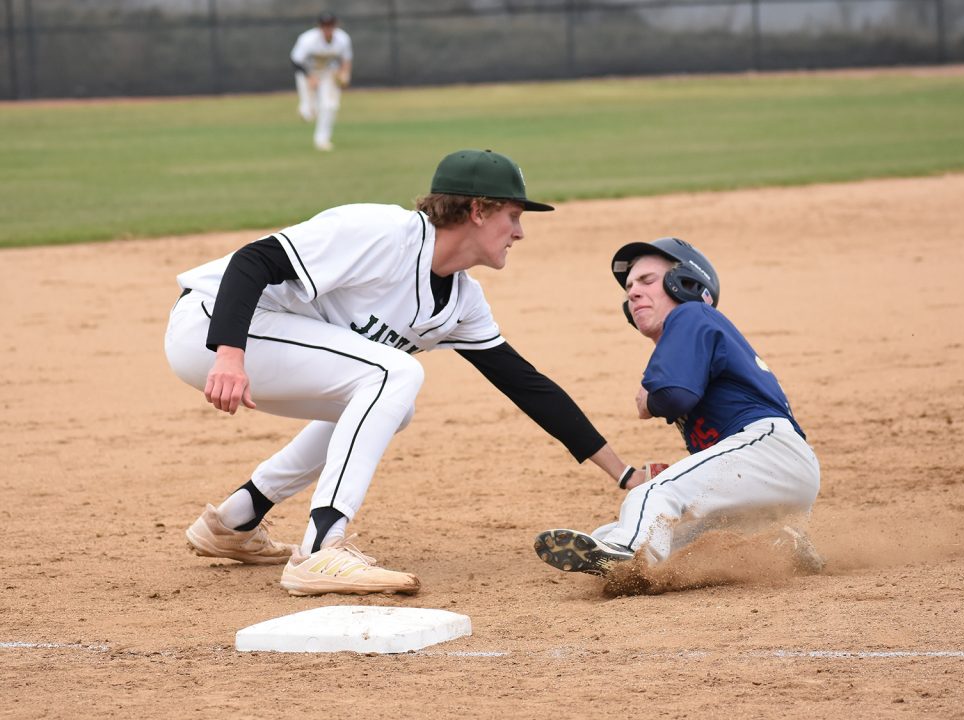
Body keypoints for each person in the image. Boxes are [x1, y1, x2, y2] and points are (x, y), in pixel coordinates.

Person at [164, 149, 647, 596]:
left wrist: (624, 473)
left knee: (389, 400)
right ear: (477, 210)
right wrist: (229, 352)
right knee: (391, 374)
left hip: (262, 344)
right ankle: (320, 547)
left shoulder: (462, 301)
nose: (519, 232)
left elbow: (526, 385)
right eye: (513, 216)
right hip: (216, 324)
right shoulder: (382, 232)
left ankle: (236, 519)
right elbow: (255, 259)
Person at [534, 237, 824, 577]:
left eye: (646, 280)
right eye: (629, 287)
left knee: (651, 495)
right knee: (613, 534)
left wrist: (649, 399)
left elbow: (675, 396)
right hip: (769, 475)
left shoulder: (691, 314)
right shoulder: (695, 330)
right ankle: (779, 543)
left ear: (684, 283)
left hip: (768, 449)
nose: (632, 292)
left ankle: (631, 559)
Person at [290, 11, 353, 151]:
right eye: (325, 25)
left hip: (328, 74)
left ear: (336, 25)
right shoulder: (307, 39)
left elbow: (346, 59)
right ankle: (306, 108)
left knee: (330, 106)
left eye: (330, 25)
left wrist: (345, 75)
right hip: (306, 72)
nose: (327, 28)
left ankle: (322, 140)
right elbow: (295, 61)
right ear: (319, 26)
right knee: (308, 114)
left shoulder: (343, 39)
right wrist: (309, 77)